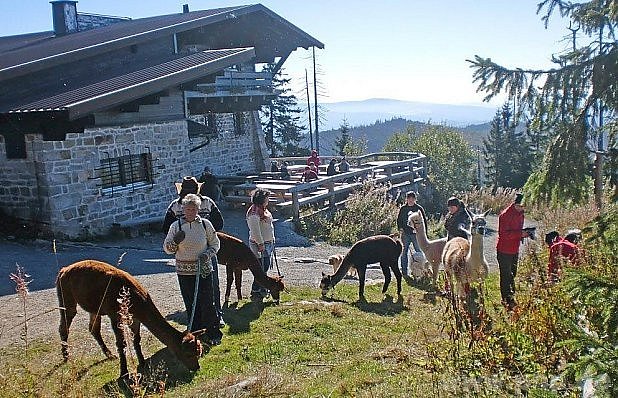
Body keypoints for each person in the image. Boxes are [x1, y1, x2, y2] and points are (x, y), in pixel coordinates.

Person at [163, 176, 225, 327]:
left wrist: (203, 234)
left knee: (209, 286)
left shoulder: (199, 203)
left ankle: (213, 316)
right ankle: (201, 318)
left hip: (205, 252)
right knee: (200, 288)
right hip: (188, 256)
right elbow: (167, 229)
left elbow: (218, 223)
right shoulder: (180, 205)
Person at [496, 193, 532, 310]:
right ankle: (507, 300)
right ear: (516, 204)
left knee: (513, 274)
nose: (522, 209)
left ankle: (511, 296)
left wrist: (525, 233)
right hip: (504, 250)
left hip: (514, 249)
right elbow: (503, 234)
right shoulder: (505, 215)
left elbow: (516, 230)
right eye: (521, 206)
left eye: (524, 207)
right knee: (506, 275)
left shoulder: (520, 214)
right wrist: (520, 234)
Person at [246, 189, 275, 301]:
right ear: (262, 199)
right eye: (267, 198)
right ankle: (256, 289)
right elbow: (255, 231)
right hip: (260, 244)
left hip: (267, 242)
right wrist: (260, 243)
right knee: (262, 267)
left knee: (264, 266)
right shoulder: (254, 213)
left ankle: (262, 287)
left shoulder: (262, 209)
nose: (268, 200)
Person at [396, 191, 427, 277]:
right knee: (404, 252)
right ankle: (404, 272)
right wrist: (400, 229)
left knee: (419, 251)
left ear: (415, 199)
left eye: (412, 199)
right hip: (405, 234)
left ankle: (421, 270)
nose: (410, 200)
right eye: (409, 199)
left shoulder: (418, 208)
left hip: (416, 234)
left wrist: (424, 234)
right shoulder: (403, 209)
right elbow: (399, 220)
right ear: (406, 199)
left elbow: (424, 221)